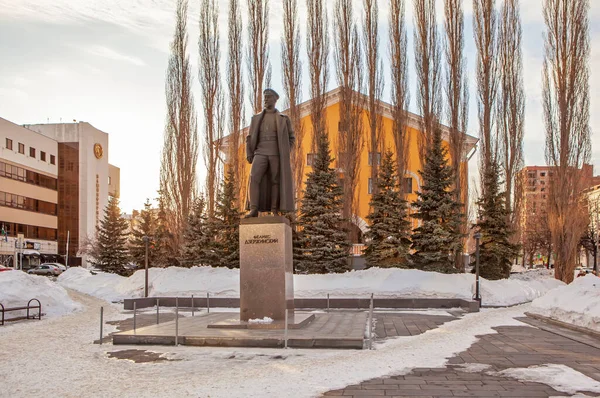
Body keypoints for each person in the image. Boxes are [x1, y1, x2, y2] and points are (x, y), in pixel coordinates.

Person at [244, 88, 295, 218]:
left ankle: (274, 209)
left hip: (276, 153)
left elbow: (291, 137)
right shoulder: (256, 118)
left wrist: (285, 150)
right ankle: (253, 209)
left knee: (275, 180)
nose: (266, 100)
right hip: (260, 152)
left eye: (268, 97)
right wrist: (249, 152)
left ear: (274, 99)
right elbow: (249, 137)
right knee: (254, 177)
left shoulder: (283, 118)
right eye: (264, 97)